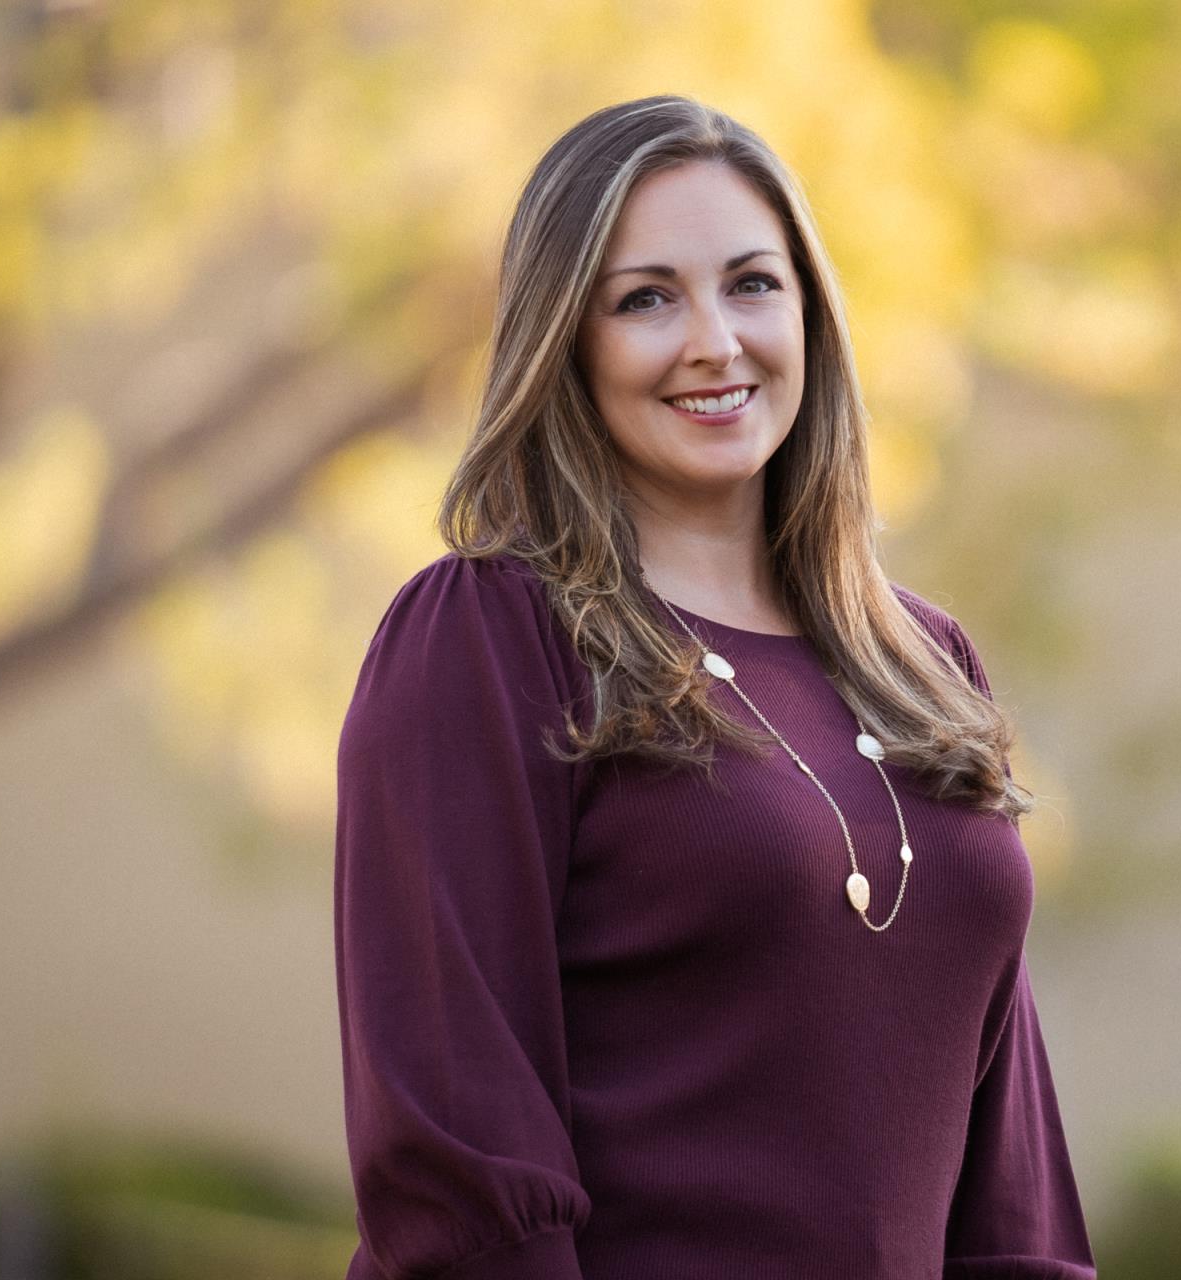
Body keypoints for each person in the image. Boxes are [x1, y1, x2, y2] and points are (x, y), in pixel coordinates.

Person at [333, 94, 1097, 1279]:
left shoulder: (922, 663)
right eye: (646, 298)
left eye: (752, 283)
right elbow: (455, 1143)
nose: (714, 340)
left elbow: (1012, 1183)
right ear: (566, 342)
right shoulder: (490, 636)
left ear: (809, 313)